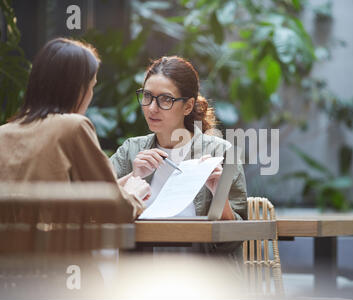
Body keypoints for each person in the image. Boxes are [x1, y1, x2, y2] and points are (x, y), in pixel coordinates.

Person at [110, 56, 248, 258]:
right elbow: (93, 207)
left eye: (165, 99)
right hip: (140, 276)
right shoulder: (131, 150)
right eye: (147, 96)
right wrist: (133, 176)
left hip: (204, 276)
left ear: (188, 106)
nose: (152, 108)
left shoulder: (221, 153)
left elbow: (234, 241)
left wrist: (220, 196)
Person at [0, 38, 150, 219]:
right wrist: (134, 194)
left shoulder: (4, 133)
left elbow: (75, 198)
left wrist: (128, 180)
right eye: (92, 86)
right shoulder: (73, 127)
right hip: (56, 246)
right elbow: (114, 210)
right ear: (78, 89)